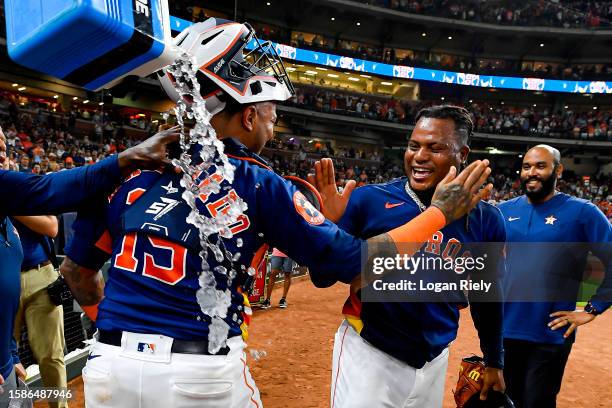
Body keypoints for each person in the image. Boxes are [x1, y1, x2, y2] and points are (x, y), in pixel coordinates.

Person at [60, 19, 491, 408]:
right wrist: (437, 213)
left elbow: (77, 272)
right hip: (198, 372)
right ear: (247, 117)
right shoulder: (258, 181)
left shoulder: (128, 170)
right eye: (271, 115)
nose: (273, 123)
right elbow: (355, 265)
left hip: (108, 368)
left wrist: (117, 337)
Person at [311, 105, 506, 408]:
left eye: (435, 148)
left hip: (435, 358)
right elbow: (321, 277)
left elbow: (487, 295)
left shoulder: (487, 219)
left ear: (462, 153)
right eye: (414, 145)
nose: (419, 156)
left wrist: (495, 359)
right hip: (370, 352)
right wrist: (329, 229)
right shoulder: (368, 200)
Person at [0, 126, 180, 408]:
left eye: (3, 148)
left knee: (47, 360)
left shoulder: (8, 217)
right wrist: (130, 157)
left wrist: (10, 354)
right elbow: (51, 190)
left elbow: (50, 221)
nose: (2, 155)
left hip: (23, 315)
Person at [498, 145, 611, 408]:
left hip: (549, 334)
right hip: (503, 331)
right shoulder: (503, 210)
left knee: (537, 403)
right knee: (502, 402)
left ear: (557, 170)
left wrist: (593, 308)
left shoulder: (583, 212)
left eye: (540, 166)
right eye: (527, 167)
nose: (531, 173)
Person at [11, 215, 68, 408]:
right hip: (5, 278)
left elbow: (52, 227)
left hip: (41, 274)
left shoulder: (26, 186)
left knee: (52, 357)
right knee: (5, 361)